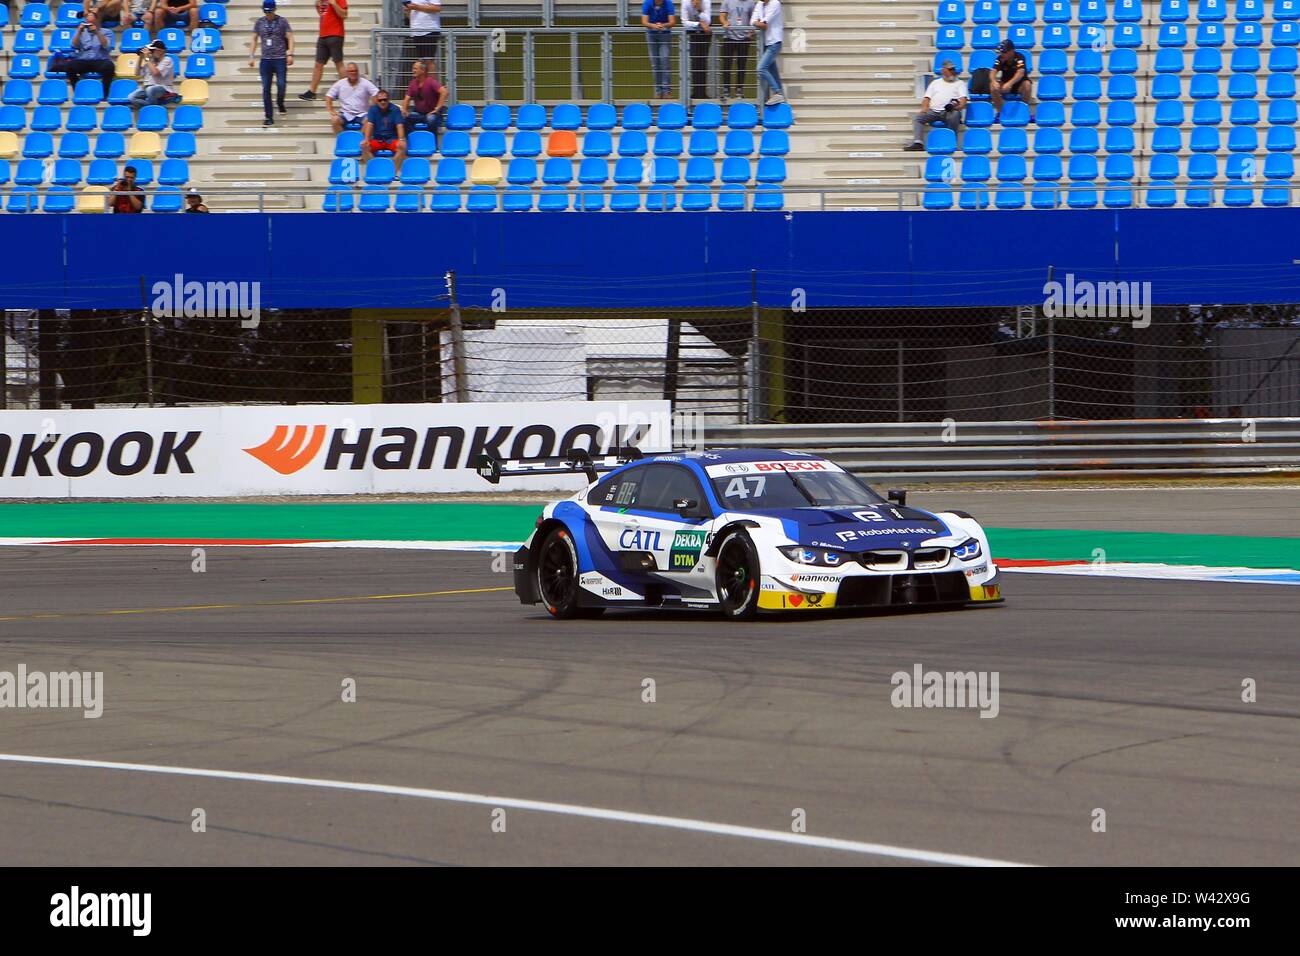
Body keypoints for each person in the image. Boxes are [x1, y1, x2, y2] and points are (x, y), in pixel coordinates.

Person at [903, 59, 968, 151]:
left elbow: (963, 101)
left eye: (953, 69)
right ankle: (918, 142)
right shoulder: (935, 83)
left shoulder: (960, 83)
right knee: (918, 118)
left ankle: (950, 141)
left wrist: (956, 107)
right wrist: (925, 108)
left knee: (955, 115)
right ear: (943, 70)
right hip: (934, 111)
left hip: (949, 112)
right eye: (950, 70)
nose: (952, 72)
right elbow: (927, 98)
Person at [249, 0, 294, 127]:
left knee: (281, 84)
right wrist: (251, 56)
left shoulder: (282, 21)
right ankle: (269, 116)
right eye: (266, 11)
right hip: (265, 59)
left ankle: (280, 102)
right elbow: (253, 38)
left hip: (280, 58)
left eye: (270, 11)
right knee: (266, 89)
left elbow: (290, 37)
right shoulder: (259, 22)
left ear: (274, 10)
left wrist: (290, 53)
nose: (268, 14)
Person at [51, 12, 116, 100]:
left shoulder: (107, 32)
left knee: (110, 66)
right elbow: (73, 46)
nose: (89, 23)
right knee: (69, 66)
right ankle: (78, 90)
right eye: (87, 20)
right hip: (84, 60)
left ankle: (105, 94)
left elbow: (107, 46)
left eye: (91, 20)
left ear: (97, 20)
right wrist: (78, 32)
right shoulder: (81, 32)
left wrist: (97, 32)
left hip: (100, 60)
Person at [298, 0, 348, 101]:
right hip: (323, 35)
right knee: (318, 64)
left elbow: (344, 14)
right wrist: (317, 6)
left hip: (335, 34)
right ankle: (312, 92)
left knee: (338, 63)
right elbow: (322, 14)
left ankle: (346, 91)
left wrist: (333, 3)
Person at [401, 59, 447, 143]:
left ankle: (432, 144)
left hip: (432, 114)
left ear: (422, 70)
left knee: (431, 119)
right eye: (413, 68)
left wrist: (437, 108)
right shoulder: (413, 83)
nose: (413, 71)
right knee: (403, 119)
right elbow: (407, 98)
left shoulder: (431, 81)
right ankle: (413, 141)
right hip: (419, 114)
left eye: (415, 69)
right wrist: (404, 110)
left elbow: (444, 92)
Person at [326, 62, 379, 134]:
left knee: (369, 119)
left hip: (362, 114)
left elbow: (376, 93)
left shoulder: (365, 82)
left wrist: (373, 106)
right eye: (351, 71)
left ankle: (360, 141)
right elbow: (329, 96)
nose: (354, 73)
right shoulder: (340, 83)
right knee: (334, 120)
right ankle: (343, 140)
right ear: (347, 72)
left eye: (355, 71)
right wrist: (330, 109)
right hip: (345, 114)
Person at [718, 0, 756, 101]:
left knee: (741, 65)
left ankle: (739, 90)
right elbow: (722, 15)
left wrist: (751, 33)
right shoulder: (727, 1)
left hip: (744, 38)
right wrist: (725, 22)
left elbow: (754, 18)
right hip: (729, 36)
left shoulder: (751, 2)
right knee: (727, 64)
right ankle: (726, 91)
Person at [642, 0, 677, 100]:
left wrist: (663, 25)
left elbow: (672, 21)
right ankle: (658, 91)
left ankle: (667, 91)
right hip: (651, 34)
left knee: (665, 61)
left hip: (665, 34)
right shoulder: (648, 3)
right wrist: (654, 26)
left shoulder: (668, 3)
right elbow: (644, 21)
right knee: (655, 63)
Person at [751, 0, 784, 106]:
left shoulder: (775, 3)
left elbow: (764, 24)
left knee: (761, 68)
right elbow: (752, 21)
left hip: (774, 41)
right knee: (774, 73)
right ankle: (781, 98)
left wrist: (758, 23)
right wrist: (757, 23)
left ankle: (777, 93)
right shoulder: (759, 4)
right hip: (765, 43)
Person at [990, 39, 1034, 119]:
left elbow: (1020, 73)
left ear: (1012, 51)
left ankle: (1023, 110)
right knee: (992, 86)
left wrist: (1010, 83)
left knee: (1027, 85)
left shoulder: (1019, 57)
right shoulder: (1000, 58)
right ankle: (1000, 112)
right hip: (1005, 84)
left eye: (1005, 52)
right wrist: (993, 81)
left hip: (1019, 85)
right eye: (1002, 52)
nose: (1002, 54)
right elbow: (993, 71)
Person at [129, 39, 180, 108]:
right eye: (151, 51)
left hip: (163, 89)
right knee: (131, 97)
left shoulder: (167, 60)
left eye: (153, 50)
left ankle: (152, 109)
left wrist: (147, 58)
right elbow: (137, 73)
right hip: (147, 88)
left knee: (150, 89)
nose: (151, 53)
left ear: (161, 51)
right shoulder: (151, 61)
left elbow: (156, 73)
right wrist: (140, 58)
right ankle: (152, 108)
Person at [362, 89, 407, 163]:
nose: (382, 102)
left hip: (392, 139)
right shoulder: (373, 109)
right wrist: (366, 139)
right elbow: (369, 124)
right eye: (380, 100)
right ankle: (375, 169)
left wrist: (401, 140)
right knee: (364, 147)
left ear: (388, 100)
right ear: (377, 101)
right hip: (377, 139)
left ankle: (392, 172)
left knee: (402, 147)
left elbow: (399, 126)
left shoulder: (395, 109)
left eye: (385, 100)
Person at [681, 0, 712, 102]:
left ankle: (702, 93)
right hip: (693, 32)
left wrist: (699, 10)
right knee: (695, 62)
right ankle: (695, 92)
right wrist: (698, 24)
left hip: (705, 33)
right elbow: (684, 22)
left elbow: (708, 21)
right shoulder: (685, 2)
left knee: (703, 62)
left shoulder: (706, 2)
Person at [404, 0, 441, 70]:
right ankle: (422, 81)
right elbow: (410, 16)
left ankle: (431, 81)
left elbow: (437, 8)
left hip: (429, 29)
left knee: (428, 60)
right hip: (416, 31)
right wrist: (407, 11)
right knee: (420, 61)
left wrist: (417, 7)